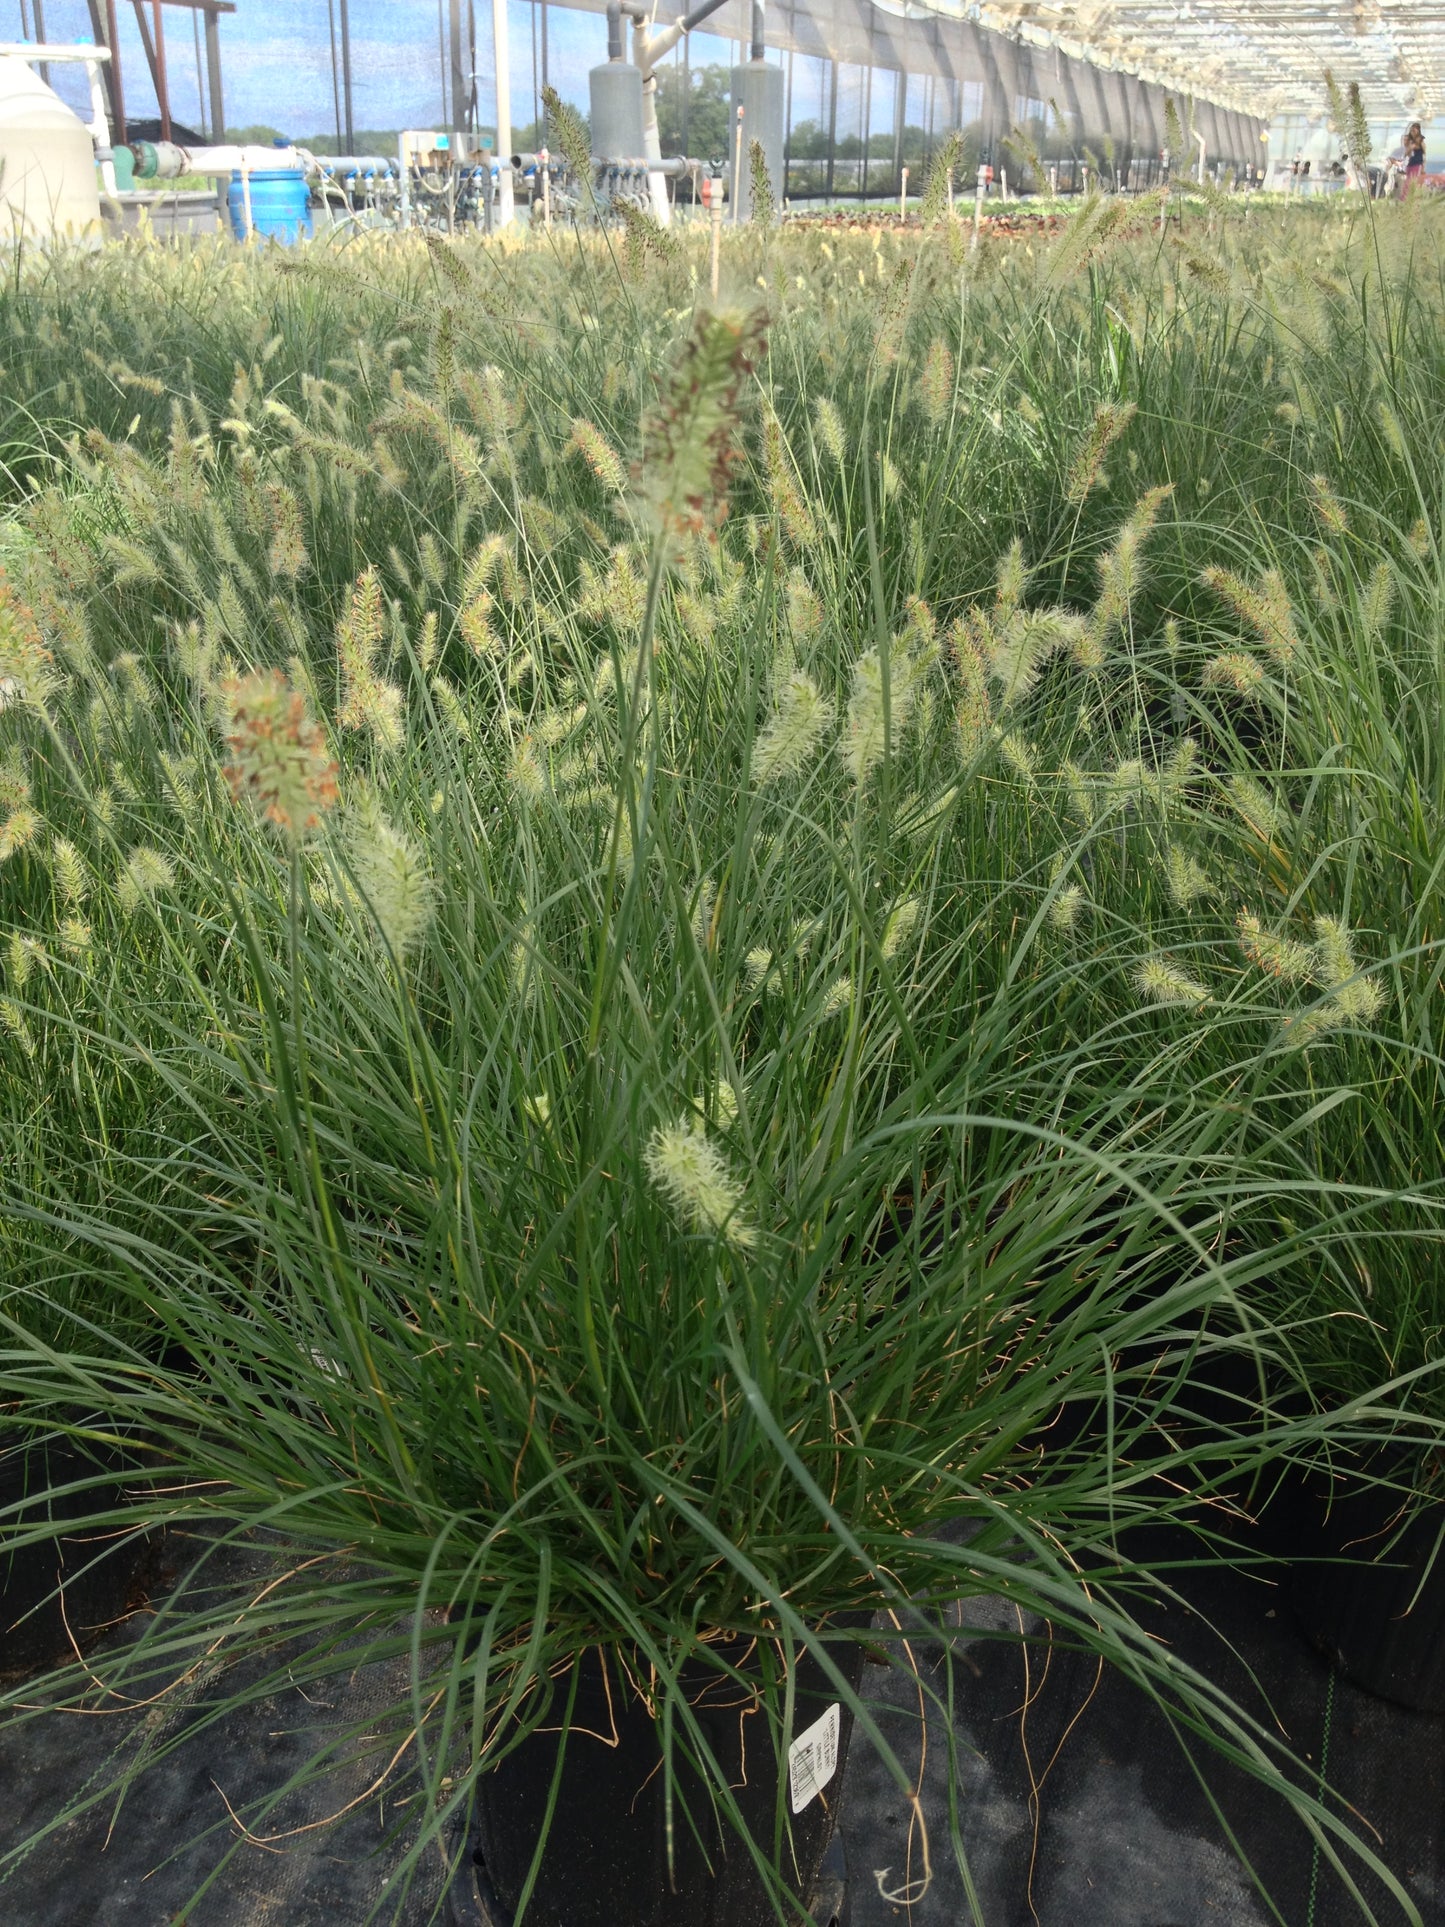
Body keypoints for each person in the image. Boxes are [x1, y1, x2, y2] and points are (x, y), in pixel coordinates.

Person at [1403, 121, 1426, 191]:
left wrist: (1423, 167)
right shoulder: (1410, 141)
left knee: (1414, 181)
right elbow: (1406, 153)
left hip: (1417, 163)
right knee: (1408, 181)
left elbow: (1424, 153)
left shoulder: (1420, 140)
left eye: (1414, 130)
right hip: (1411, 163)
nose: (1413, 132)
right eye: (1412, 130)